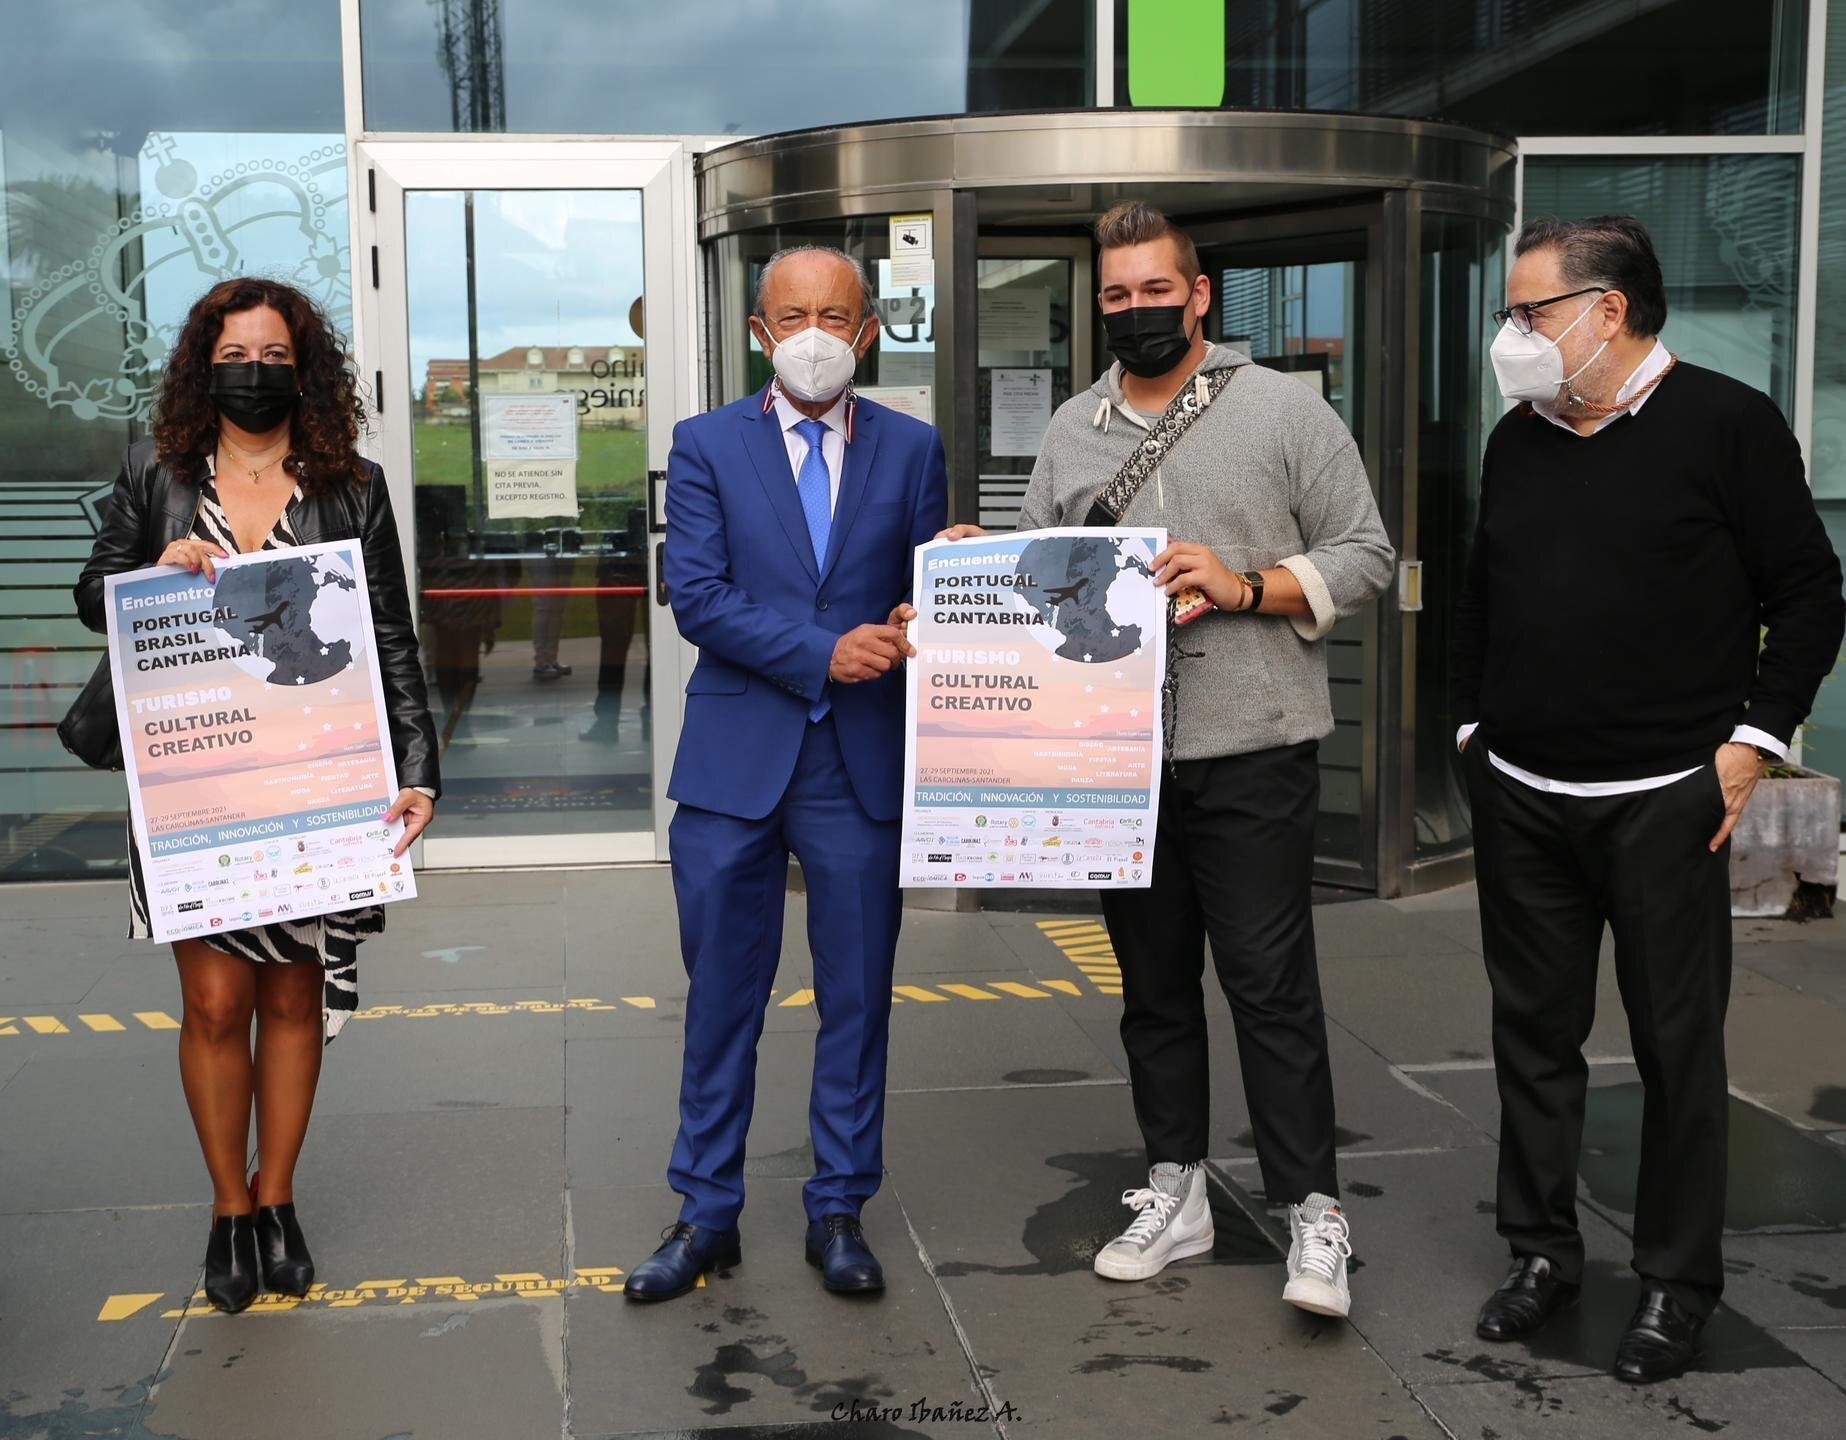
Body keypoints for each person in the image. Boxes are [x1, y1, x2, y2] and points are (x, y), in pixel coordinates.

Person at [940, 202, 1393, 1317]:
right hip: (1116, 762)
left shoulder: (1283, 409)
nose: (1135, 308)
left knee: (1269, 987)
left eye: (1155, 290)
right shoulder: (1072, 429)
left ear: (1199, 296)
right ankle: (1174, 1187)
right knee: (1151, 991)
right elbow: (1045, 577)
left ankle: (1314, 1212)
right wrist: (978, 566)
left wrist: (1247, 585)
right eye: (1116, 294)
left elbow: (1366, 553)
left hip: (1253, 750)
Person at [1455, 216, 1845, 1384]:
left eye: (1529, 312)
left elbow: (1808, 591)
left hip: (1666, 796)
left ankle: (1677, 1283)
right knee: (1532, 1038)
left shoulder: (1725, 423)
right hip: (1522, 792)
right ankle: (1541, 1253)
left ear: (1606, 310)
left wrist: (1750, 743)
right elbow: (1483, 593)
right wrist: (1471, 732)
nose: (1512, 335)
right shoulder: (1518, 439)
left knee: (1677, 1048)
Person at [75, 278, 440, 1313]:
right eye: (236, 354)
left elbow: (390, 636)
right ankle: (226, 1208)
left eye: (275, 355)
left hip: (316, 780)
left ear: (304, 369)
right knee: (213, 1003)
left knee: (289, 996)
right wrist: (156, 565)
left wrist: (417, 769)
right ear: (205, 366)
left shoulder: (351, 485)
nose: (255, 370)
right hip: (191, 779)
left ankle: (275, 1197)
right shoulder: (156, 472)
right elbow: (94, 591)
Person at [622, 246, 947, 1302]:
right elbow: (698, 596)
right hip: (736, 763)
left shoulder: (912, 447)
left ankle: (839, 1207)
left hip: (859, 762)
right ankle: (704, 1212)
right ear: (761, 332)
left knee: (857, 997)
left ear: (867, 331)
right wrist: (823, 651)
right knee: (722, 996)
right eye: (793, 315)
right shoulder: (705, 443)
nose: (815, 334)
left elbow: (919, 595)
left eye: (836, 316)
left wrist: (938, 599)